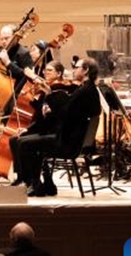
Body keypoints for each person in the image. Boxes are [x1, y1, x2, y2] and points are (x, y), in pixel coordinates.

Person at [16, 57, 102, 197]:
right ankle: (44, 184)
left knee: (24, 143)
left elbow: (65, 113)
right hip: (73, 138)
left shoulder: (84, 91)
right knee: (26, 141)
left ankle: (33, 184)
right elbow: (69, 112)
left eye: (77, 67)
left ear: (85, 71)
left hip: (68, 143)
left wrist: (49, 94)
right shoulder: (89, 89)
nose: (74, 70)